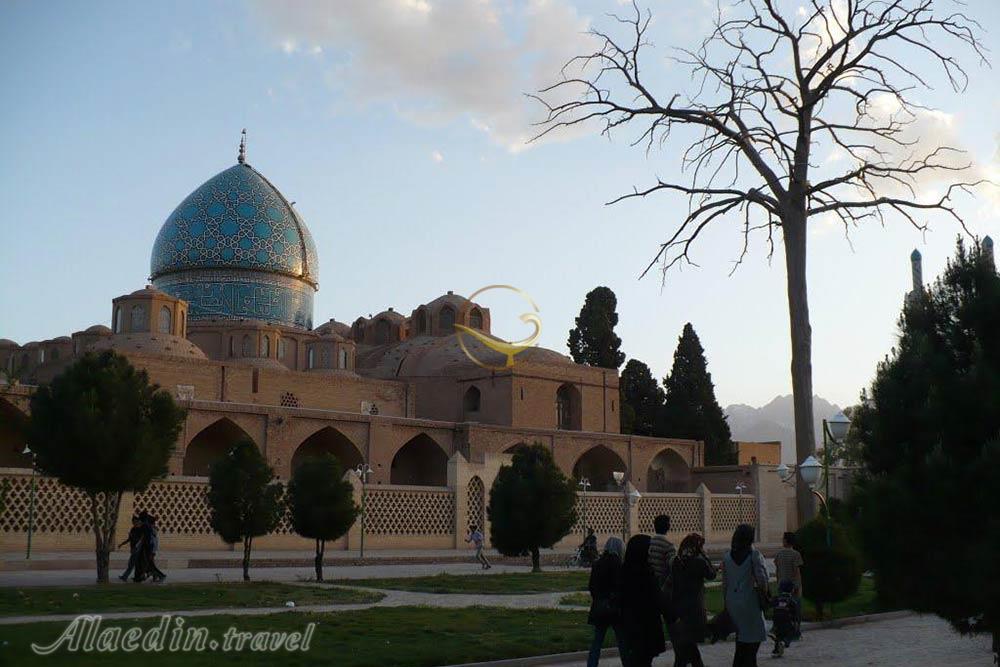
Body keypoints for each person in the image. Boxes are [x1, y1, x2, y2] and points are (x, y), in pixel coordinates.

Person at [722, 523, 768, 667]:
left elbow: (725, 583)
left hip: (732, 602)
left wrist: (727, 603)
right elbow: (762, 580)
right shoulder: (754, 555)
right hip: (749, 602)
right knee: (753, 642)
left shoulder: (727, 557)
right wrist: (764, 594)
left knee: (741, 641)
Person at [669, 533, 717, 667]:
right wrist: (705, 556)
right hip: (694, 610)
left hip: (679, 609)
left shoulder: (677, 561)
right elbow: (712, 574)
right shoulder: (699, 561)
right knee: (689, 650)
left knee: (685, 649)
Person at [620, 534, 666, 667]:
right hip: (646, 627)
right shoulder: (646, 572)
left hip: (630, 626)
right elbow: (657, 598)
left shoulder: (624, 571)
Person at [586, 537, 625, 667]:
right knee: (622, 641)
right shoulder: (618, 563)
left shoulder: (597, 563)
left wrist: (598, 598)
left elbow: (591, 586)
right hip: (614, 609)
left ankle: (591, 665)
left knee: (597, 641)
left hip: (600, 607)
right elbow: (620, 586)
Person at [772, 531, 803, 636]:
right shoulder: (796, 554)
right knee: (796, 607)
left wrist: (778, 582)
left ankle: (779, 628)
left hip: (782, 584)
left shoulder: (779, 554)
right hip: (792, 586)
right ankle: (796, 629)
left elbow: (777, 569)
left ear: (785, 541)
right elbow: (796, 571)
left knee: (782, 607)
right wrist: (797, 585)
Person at [648, 514, 677, 624]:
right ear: (668, 527)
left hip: (650, 582)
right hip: (662, 584)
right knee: (669, 618)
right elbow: (673, 568)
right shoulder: (669, 545)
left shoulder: (649, 542)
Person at [769, 580, 800, 657]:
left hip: (776, 620)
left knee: (778, 635)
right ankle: (784, 642)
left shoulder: (777, 598)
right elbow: (795, 613)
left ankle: (776, 650)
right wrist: (796, 624)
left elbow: (771, 604)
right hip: (787, 621)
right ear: (792, 590)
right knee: (790, 634)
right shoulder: (791, 601)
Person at [140, 512, 166, 583]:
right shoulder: (150, 528)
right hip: (150, 548)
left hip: (149, 549)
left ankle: (161, 575)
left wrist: (152, 551)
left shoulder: (147, 527)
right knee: (149, 563)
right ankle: (150, 575)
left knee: (150, 563)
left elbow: (151, 540)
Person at [117, 516, 145, 582]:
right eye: (133, 522)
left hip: (137, 549)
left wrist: (137, 545)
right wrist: (122, 544)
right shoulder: (133, 529)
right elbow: (129, 539)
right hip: (133, 549)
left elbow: (141, 539)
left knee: (131, 564)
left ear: (138, 521)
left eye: (135, 522)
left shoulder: (141, 529)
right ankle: (140, 576)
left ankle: (125, 576)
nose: (134, 523)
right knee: (135, 564)